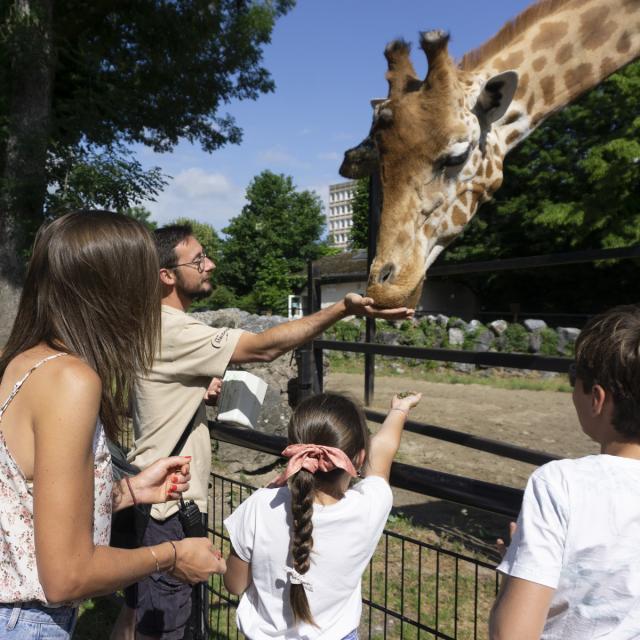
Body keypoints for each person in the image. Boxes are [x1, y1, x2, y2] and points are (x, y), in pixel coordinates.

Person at [121, 223, 415, 640]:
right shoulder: (174, 329)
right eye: (199, 259)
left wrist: (193, 395)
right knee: (164, 623)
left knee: (137, 612)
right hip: (167, 503)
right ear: (166, 275)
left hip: (150, 493)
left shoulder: (148, 324)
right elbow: (263, 347)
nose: (211, 264)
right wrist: (341, 310)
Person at [0, 211, 225, 640]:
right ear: (112, 287)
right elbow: (66, 576)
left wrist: (128, 491)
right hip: (30, 623)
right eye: (142, 279)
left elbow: (27, 508)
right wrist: (172, 554)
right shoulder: (72, 380)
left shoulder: (26, 361)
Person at [490, 305, 640, 639]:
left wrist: (518, 568)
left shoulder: (561, 484)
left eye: (576, 379)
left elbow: (511, 634)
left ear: (597, 399)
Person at [222, 391, 421, 639]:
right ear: (359, 458)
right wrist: (399, 410)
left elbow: (234, 584)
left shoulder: (260, 505)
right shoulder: (369, 506)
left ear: (295, 451)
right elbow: (382, 451)